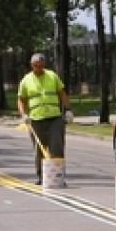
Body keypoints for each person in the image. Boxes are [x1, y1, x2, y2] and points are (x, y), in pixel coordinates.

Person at [17, 53, 73, 185]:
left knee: (57, 147)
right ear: (31, 65)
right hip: (36, 119)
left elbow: (62, 94)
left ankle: (58, 177)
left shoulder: (52, 76)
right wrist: (23, 114)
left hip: (54, 118)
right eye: (36, 66)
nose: (38, 68)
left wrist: (68, 110)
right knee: (39, 149)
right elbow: (21, 100)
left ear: (44, 65)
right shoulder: (26, 80)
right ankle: (42, 176)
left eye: (41, 66)